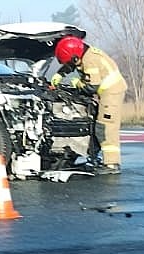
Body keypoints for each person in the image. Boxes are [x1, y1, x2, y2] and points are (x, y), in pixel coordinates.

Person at [53, 35, 126, 175]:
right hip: (107, 92)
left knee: (105, 127)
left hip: (112, 93)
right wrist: (60, 74)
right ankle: (96, 158)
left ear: (75, 57)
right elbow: (72, 63)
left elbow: (92, 87)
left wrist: (77, 83)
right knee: (99, 125)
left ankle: (111, 164)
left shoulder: (90, 60)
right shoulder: (83, 52)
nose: (72, 65)